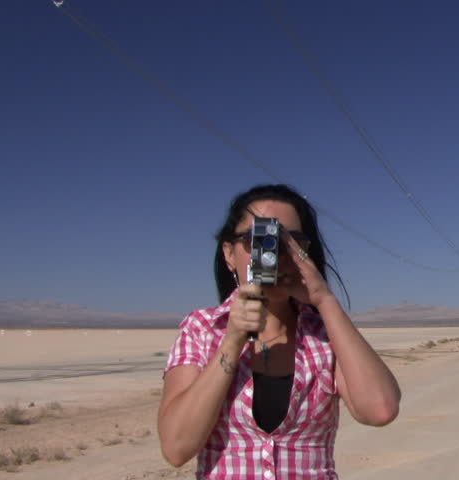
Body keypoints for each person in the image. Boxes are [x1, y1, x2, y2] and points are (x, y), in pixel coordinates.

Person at [158, 184, 401, 479]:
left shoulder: (325, 334)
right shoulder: (203, 329)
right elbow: (176, 447)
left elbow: (380, 409)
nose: (274, 254)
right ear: (229, 253)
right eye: (258, 240)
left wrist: (324, 300)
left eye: (290, 242)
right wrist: (232, 341)